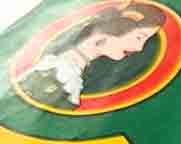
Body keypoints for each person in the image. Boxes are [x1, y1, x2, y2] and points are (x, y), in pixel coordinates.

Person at [18, 2, 167, 110]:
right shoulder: (62, 73)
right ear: (119, 27)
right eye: (140, 37)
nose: (139, 48)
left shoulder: (67, 69)